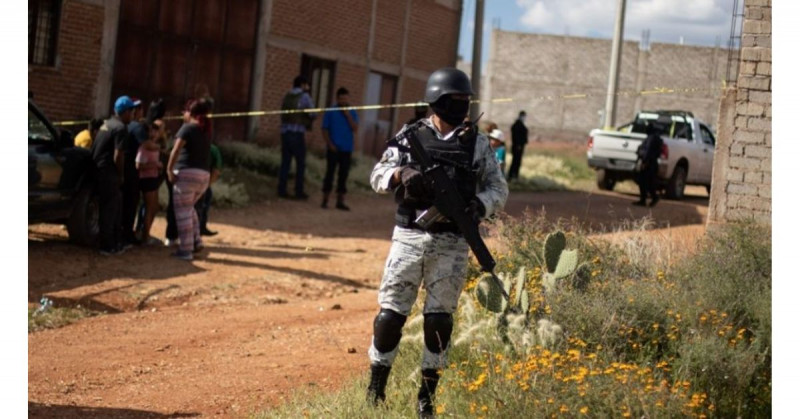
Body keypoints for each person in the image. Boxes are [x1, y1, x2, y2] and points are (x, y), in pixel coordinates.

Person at [365, 68, 508, 417]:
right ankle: (375, 391)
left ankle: (426, 400)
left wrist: (479, 205)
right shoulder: (410, 135)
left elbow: (498, 188)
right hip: (409, 237)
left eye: (465, 101)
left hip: (452, 243)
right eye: (453, 101)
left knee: (439, 322)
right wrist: (401, 174)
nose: (459, 107)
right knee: (390, 316)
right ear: (436, 101)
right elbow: (376, 175)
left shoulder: (475, 143)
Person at [165, 99, 212, 261]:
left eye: (184, 111)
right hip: (203, 176)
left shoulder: (187, 128)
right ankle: (196, 241)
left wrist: (169, 169)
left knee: (183, 212)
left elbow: (176, 149)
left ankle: (185, 250)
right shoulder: (205, 130)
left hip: (186, 175)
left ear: (190, 113)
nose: (183, 115)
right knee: (189, 208)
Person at [91, 96, 136, 256]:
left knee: (107, 207)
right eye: (132, 111)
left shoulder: (106, 124)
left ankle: (110, 242)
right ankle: (107, 246)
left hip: (98, 170)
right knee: (110, 209)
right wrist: (120, 174)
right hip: (109, 173)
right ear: (125, 112)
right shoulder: (120, 128)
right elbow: (118, 155)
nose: (133, 115)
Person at [321, 87, 359, 210]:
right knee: (329, 174)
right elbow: (324, 129)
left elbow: (355, 128)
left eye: (345, 99)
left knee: (343, 175)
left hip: (346, 149)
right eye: (341, 99)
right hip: (333, 148)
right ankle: (325, 199)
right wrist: (329, 143)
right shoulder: (331, 111)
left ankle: (340, 201)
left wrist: (348, 116)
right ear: (337, 99)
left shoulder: (352, 111)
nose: (343, 101)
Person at [277, 75, 315, 200]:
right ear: (303, 85)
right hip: (297, 133)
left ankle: (281, 190)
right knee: (300, 163)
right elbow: (313, 113)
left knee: (285, 163)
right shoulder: (304, 96)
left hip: (285, 132)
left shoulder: (287, 95)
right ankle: (298, 191)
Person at [121, 98, 146, 245]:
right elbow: (146, 144)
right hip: (131, 169)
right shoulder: (137, 127)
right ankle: (127, 235)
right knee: (131, 202)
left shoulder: (124, 125)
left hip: (122, 167)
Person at [136, 122, 164, 245]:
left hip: (153, 178)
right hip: (147, 179)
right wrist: (156, 165)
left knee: (154, 207)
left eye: (156, 131)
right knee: (149, 208)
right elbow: (139, 165)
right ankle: (145, 237)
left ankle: (145, 234)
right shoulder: (144, 147)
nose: (154, 133)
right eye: (152, 131)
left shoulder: (154, 146)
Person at [633, 116, 668, 207]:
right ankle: (644, 199)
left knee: (646, 182)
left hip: (649, 163)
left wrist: (644, 161)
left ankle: (652, 197)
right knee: (645, 182)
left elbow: (648, 151)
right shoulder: (652, 138)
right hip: (650, 162)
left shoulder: (652, 138)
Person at [195, 142, 222, 235]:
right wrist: (207, 185)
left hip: (186, 181)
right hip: (203, 181)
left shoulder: (186, 144)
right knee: (202, 206)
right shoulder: (212, 149)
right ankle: (199, 230)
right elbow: (216, 171)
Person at [508, 110, 528, 181]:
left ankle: (515, 175)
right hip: (517, 146)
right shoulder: (517, 125)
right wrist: (518, 144)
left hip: (520, 146)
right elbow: (516, 136)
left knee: (517, 161)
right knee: (515, 161)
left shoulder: (521, 124)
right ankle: (512, 176)